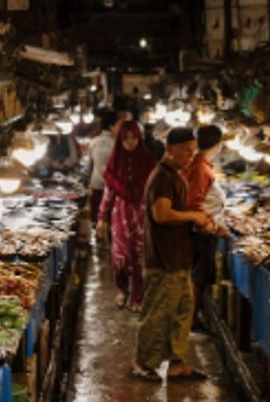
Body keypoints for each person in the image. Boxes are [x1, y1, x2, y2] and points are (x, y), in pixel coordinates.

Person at [132, 127, 211, 381]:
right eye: (185, 151)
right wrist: (194, 216)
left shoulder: (176, 175)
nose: (190, 156)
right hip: (164, 259)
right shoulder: (162, 177)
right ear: (170, 150)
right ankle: (142, 363)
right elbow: (161, 214)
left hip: (179, 257)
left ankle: (177, 363)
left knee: (182, 311)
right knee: (157, 313)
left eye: (193, 151)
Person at [97, 121, 158, 312]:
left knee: (140, 257)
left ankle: (138, 296)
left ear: (139, 138)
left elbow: (155, 192)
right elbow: (108, 194)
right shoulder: (114, 165)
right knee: (120, 256)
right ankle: (122, 289)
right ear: (120, 140)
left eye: (134, 138)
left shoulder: (149, 163)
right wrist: (101, 218)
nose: (130, 142)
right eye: (126, 138)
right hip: (120, 215)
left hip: (142, 215)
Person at [185, 125, 229, 330]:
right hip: (200, 231)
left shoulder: (200, 164)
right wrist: (211, 224)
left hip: (201, 229)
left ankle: (192, 318)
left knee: (198, 277)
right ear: (218, 145)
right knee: (198, 278)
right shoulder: (201, 168)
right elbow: (193, 203)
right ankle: (190, 321)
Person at [88, 110, 118, 229]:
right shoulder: (116, 144)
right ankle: (106, 244)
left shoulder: (93, 142)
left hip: (96, 184)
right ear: (112, 126)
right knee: (109, 219)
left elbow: (90, 165)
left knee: (97, 219)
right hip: (111, 186)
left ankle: (99, 241)